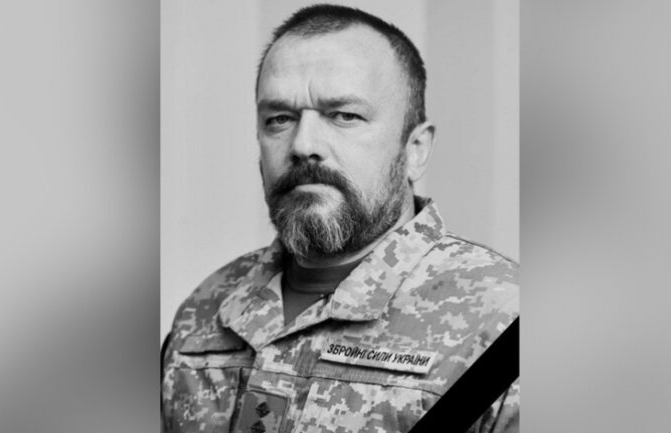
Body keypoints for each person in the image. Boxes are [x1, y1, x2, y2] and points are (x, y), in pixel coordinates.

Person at [161, 4, 519, 433]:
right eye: (279, 119)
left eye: (344, 116)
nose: (303, 144)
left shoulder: (503, 322)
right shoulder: (203, 311)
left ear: (415, 150)